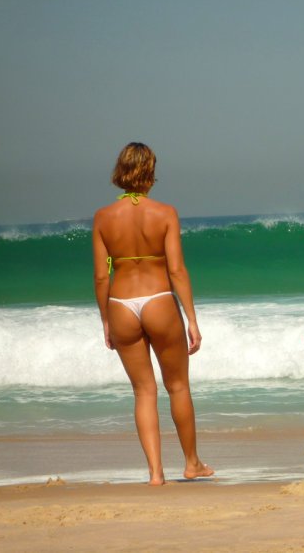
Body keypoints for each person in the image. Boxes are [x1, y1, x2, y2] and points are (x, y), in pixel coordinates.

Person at [92, 142, 213, 485]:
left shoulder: (103, 218)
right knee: (177, 386)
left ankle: (156, 474)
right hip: (159, 299)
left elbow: (102, 276)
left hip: (121, 304)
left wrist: (105, 320)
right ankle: (191, 463)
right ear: (149, 171)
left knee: (144, 391)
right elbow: (177, 271)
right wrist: (191, 319)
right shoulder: (165, 213)